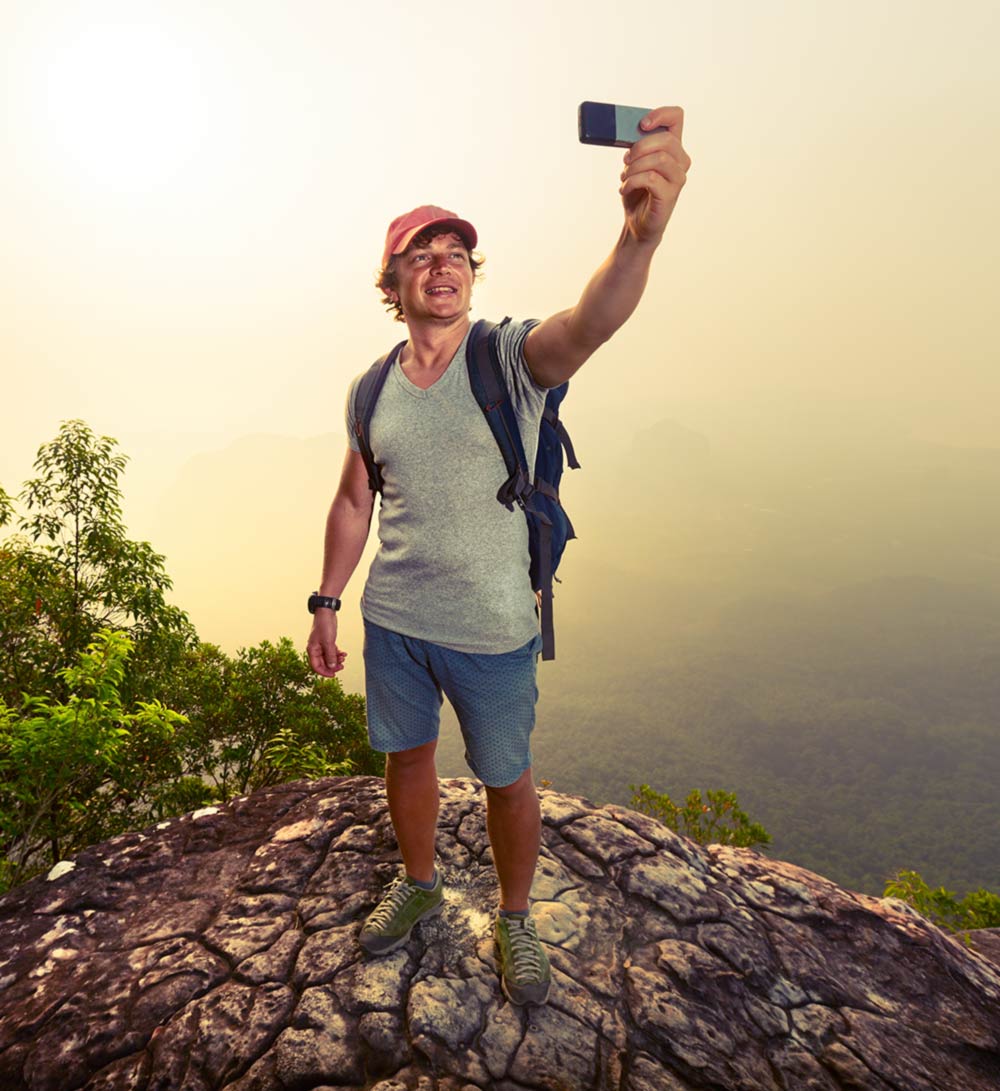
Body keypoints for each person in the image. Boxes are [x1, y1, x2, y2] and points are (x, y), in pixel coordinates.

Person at [307, 105, 690, 1006]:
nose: (443, 264)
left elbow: (588, 323)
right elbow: (355, 495)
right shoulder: (372, 388)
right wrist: (327, 602)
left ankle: (514, 918)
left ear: (469, 277)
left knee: (506, 777)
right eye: (421, 253)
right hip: (394, 620)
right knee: (407, 760)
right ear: (391, 281)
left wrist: (637, 239)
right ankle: (421, 880)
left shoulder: (507, 358)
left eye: (456, 254)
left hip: (491, 627)